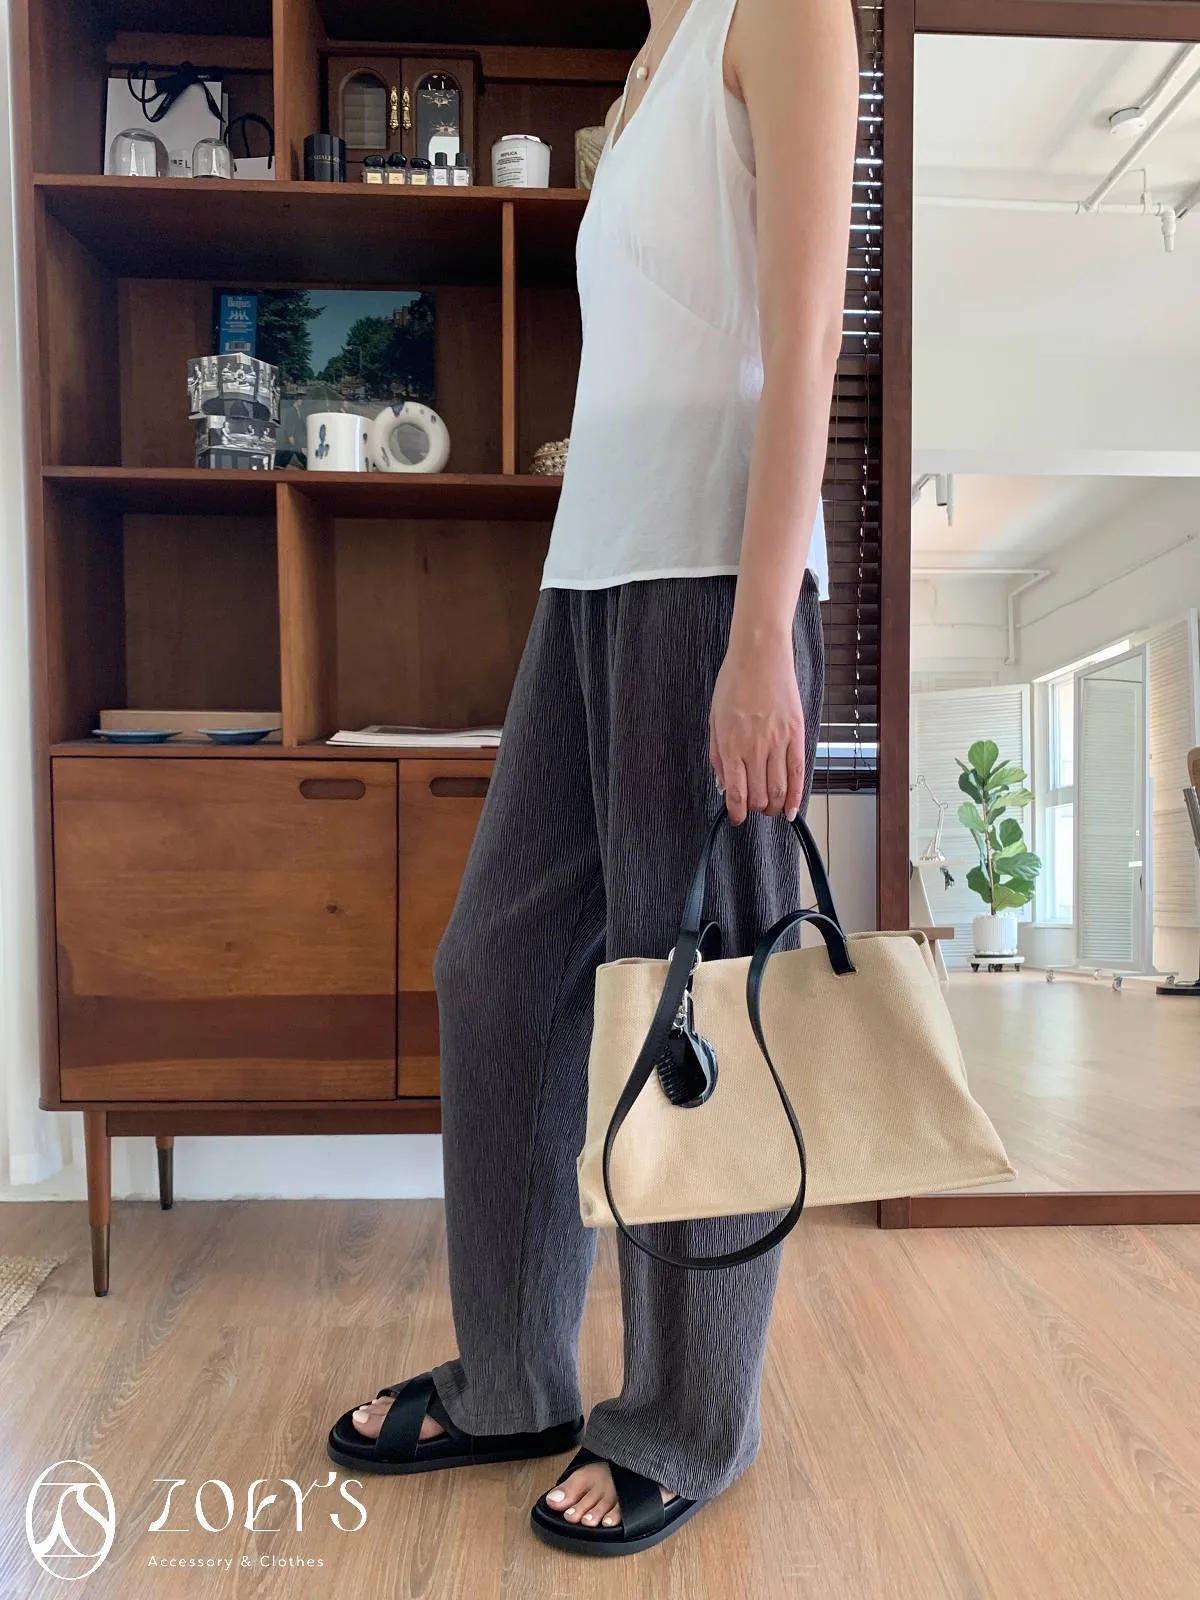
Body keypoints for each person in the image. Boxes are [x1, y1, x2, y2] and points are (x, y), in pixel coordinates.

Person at [327, 0, 861, 1557]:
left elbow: (805, 333)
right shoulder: (654, 49)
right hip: (593, 583)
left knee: (691, 1008)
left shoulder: (785, 11)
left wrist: (758, 637)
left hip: (710, 584)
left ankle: (691, 1416)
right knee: (498, 970)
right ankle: (512, 1377)